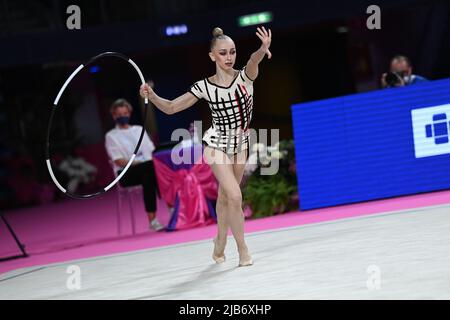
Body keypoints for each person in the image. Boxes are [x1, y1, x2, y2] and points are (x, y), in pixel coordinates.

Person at [140, 26, 272, 266]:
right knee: (234, 195)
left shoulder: (246, 77)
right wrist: (152, 95)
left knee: (224, 199)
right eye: (223, 53)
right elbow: (171, 107)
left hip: (241, 143)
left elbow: (253, 60)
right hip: (216, 144)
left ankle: (219, 243)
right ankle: (243, 249)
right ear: (212, 56)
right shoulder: (203, 87)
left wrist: (262, 49)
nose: (229, 57)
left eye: (232, 52)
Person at [104, 98, 165, 231]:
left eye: (125, 113)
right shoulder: (111, 136)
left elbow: (151, 151)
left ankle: (153, 220)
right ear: (114, 115)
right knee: (152, 171)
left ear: (129, 113)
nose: (122, 117)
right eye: (119, 115)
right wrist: (136, 162)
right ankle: (170, 209)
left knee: (150, 173)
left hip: (146, 169)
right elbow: (118, 160)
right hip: (126, 173)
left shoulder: (139, 130)